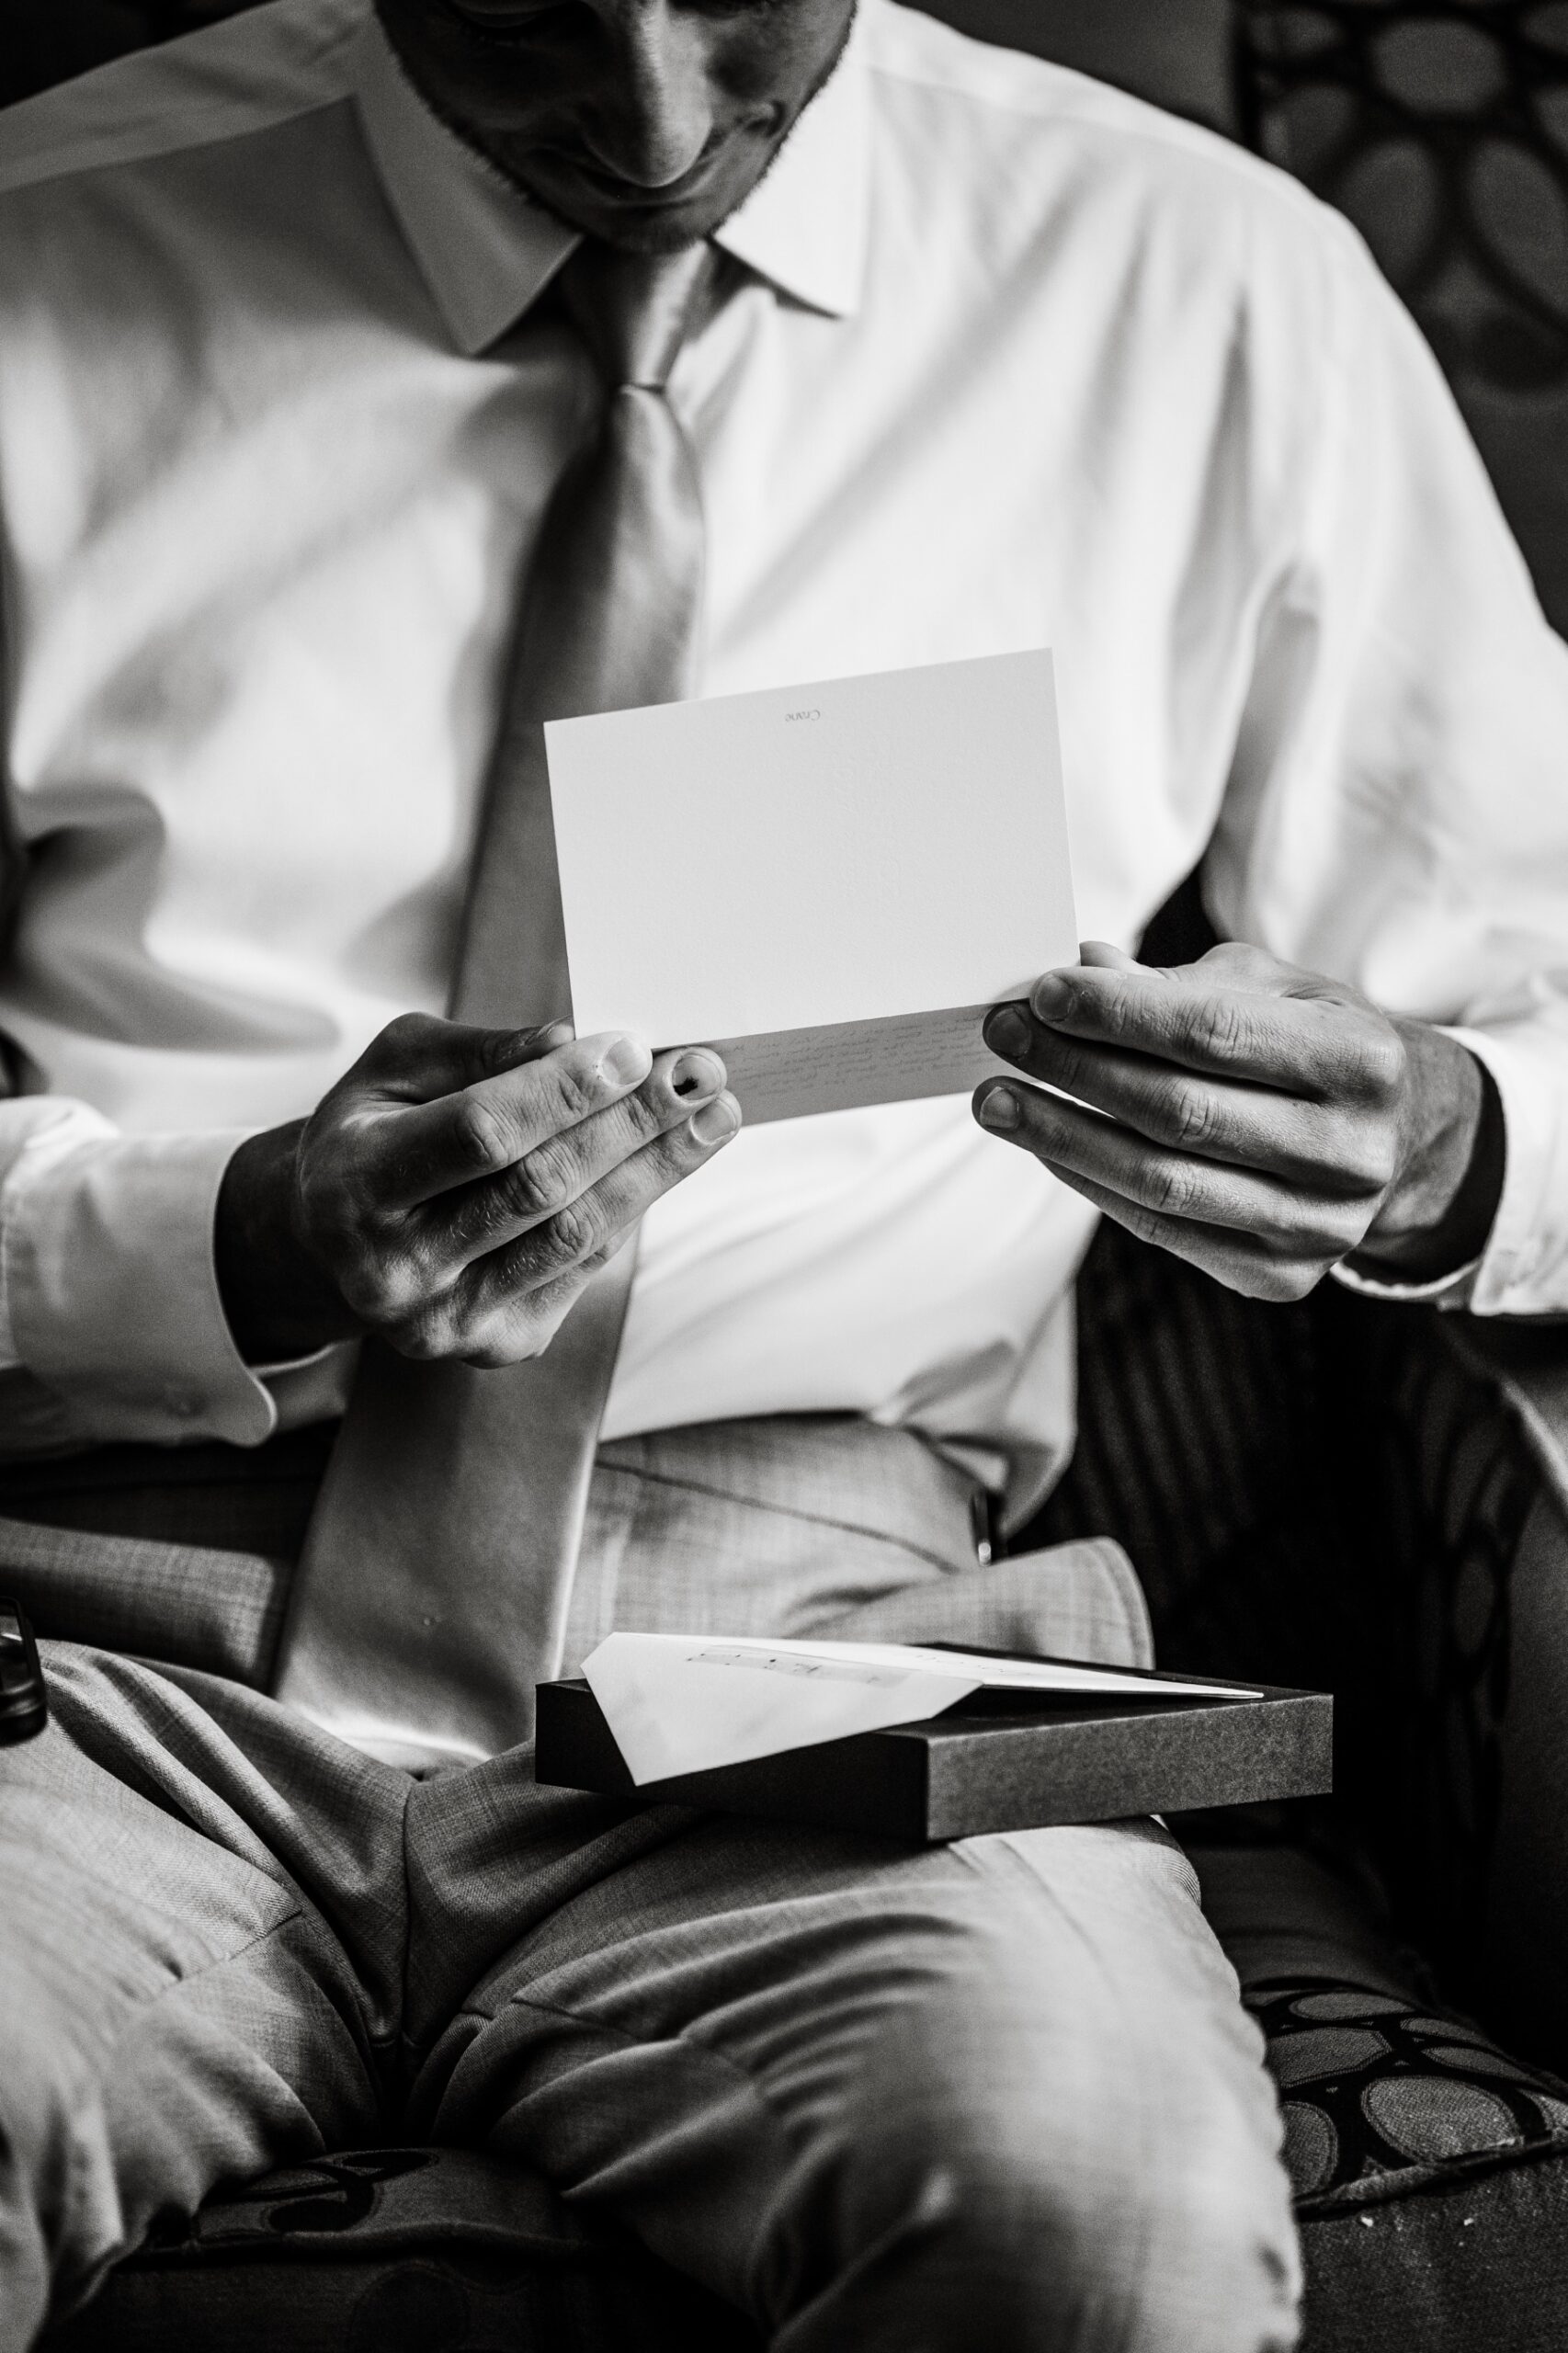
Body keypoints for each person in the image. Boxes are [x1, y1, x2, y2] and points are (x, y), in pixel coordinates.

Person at [0, 0, 1564, 2344]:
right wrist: (231, 1232)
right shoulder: (36, 248)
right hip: (94, 1658)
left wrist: (1441, 1140)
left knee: (1094, 2209)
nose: (645, 114)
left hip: (836, 1669)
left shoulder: (1210, 290)